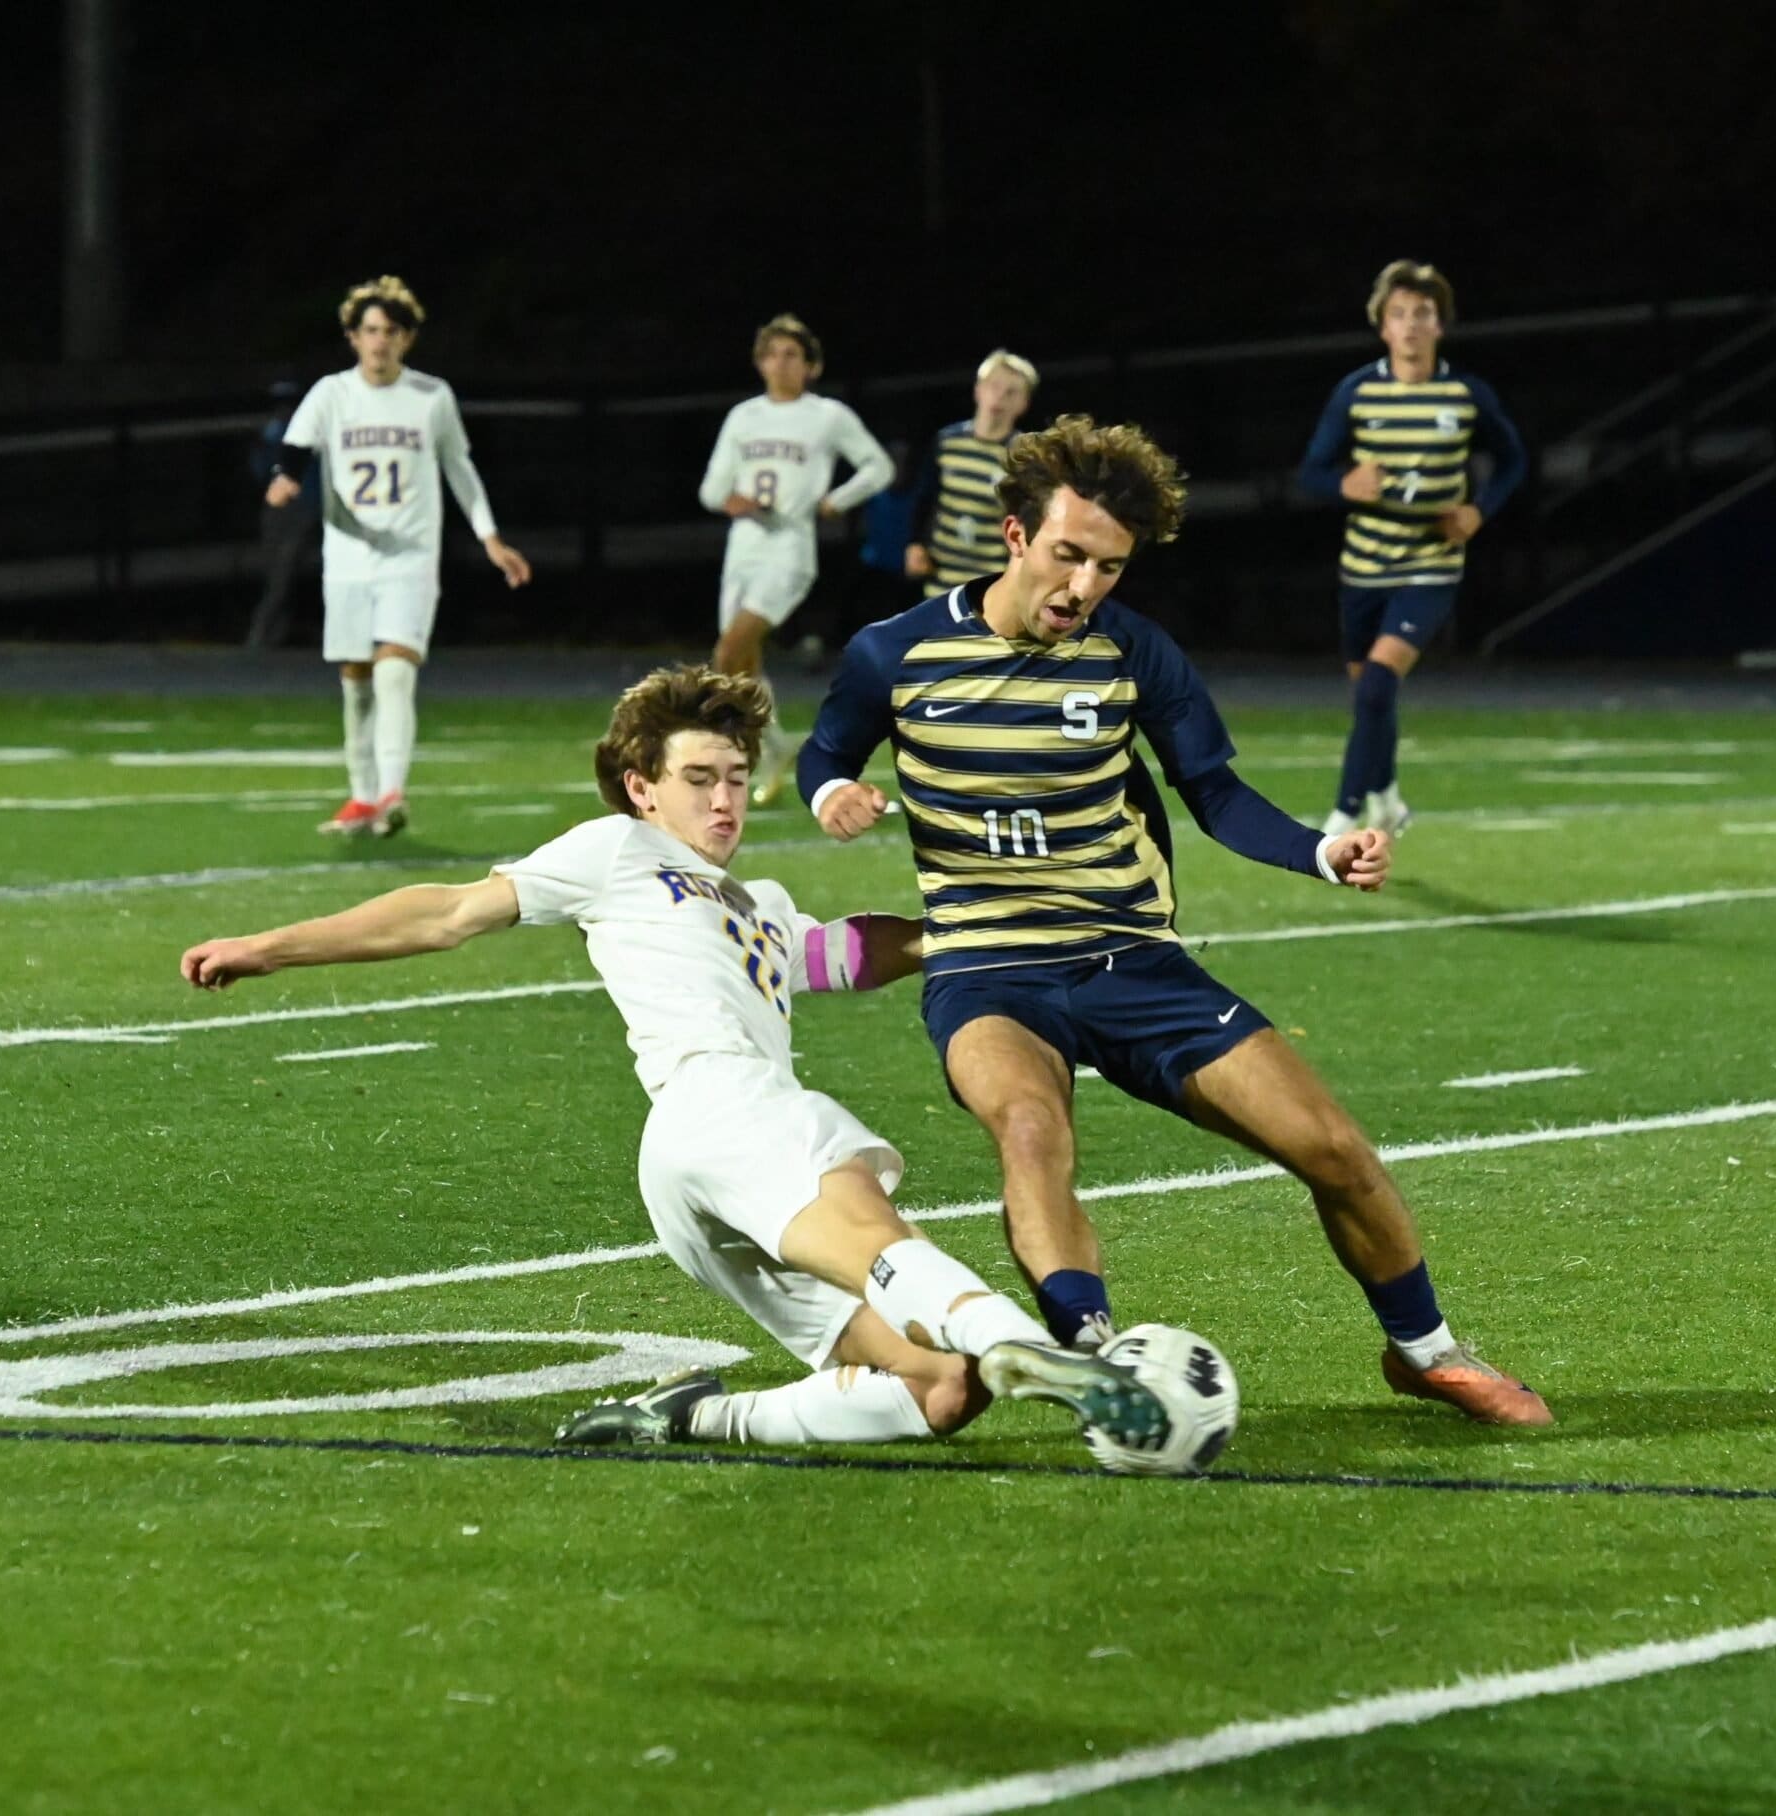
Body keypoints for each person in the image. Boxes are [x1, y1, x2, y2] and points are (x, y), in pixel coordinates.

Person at [178, 665, 1168, 1458]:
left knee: (939, 1389)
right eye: (699, 780)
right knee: (874, 1236)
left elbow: (846, 953)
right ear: (644, 787)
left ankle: (688, 1418)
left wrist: (965, 923)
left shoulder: (758, 904)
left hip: (693, 1166)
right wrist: (268, 947)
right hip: (720, 1102)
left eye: (736, 778)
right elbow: (445, 911)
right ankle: (1038, 1353)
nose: (725, 799)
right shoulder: (617, 849)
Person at [797, 415, 1552, 1428]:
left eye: (1108, 566)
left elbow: (1216, 793)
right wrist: (830, 792)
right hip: (987, 971)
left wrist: (1321, 851)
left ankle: (1425, 1351)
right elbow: (824, 750)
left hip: (1132, 961)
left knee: (1332, 1148)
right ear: (1015, 536)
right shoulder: (895, 653)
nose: (1083, 586)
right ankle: (1102, 1365)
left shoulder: (1133, 652)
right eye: (1068, 555)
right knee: (1029, 1127)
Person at [269, 275, 533, 839]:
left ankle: (391, 792)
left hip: (410, 557)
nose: (380, 341)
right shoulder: (332, 393)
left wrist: (489, 536)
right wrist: (285, 480)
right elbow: (296, 447)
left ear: (407, 339)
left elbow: (459, 467)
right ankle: (363, 796)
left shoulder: (431, 396)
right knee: (357, 679)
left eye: (390, 331)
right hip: (349, 560)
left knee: (395, 672)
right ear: (353, 337)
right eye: (369, 331)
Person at [1298, 260, 1526, 838]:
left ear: (1440, 326)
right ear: (1383, 328)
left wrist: (1478, 509)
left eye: (1422, 314)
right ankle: (1389, 799)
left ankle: (1343, 815)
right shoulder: (1356, 391)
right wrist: (1343, 485)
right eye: (1399, 314)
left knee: (1376, 684)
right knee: (1373, 698)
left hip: (1430, 564)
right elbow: (1313, 471)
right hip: (1363, 566)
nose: (1410, 325)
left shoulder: (1466, 394)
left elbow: (1515, 460)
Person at [697, 313, 895, 804]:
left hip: (789, 549)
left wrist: (836, 500)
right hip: (742, 548)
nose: (780, 363)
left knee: (728, 651)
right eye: (772, 354)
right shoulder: (744, 416)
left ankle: (734, 757)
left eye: (792, 355)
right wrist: (733, 501)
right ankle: (774, 747)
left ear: (812, 366)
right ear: (759, 362)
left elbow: (879, 466)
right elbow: (711, 489)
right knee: (741, 662)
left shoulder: (827, 416)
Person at [905, 349, 1039, 598]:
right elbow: (924, 497)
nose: (1000, 397)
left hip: (992, 581)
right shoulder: (948, 441)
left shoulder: (1023, 455)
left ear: (1024, 403)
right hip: (941, 578)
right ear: (978, 389)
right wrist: (915, 544)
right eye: (994, 386)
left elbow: (1030, 518)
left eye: (1012, 392)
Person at [245, 379, 318, 650]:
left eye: (289, 403)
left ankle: (261, 636)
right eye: (280, 403)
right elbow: (260, 473)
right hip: (278, 510)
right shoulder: (271, 433)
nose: (284, 409)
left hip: (302, 509)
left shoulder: (307, 432)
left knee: (284, 575)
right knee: (275, 573)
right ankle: (274, 635)